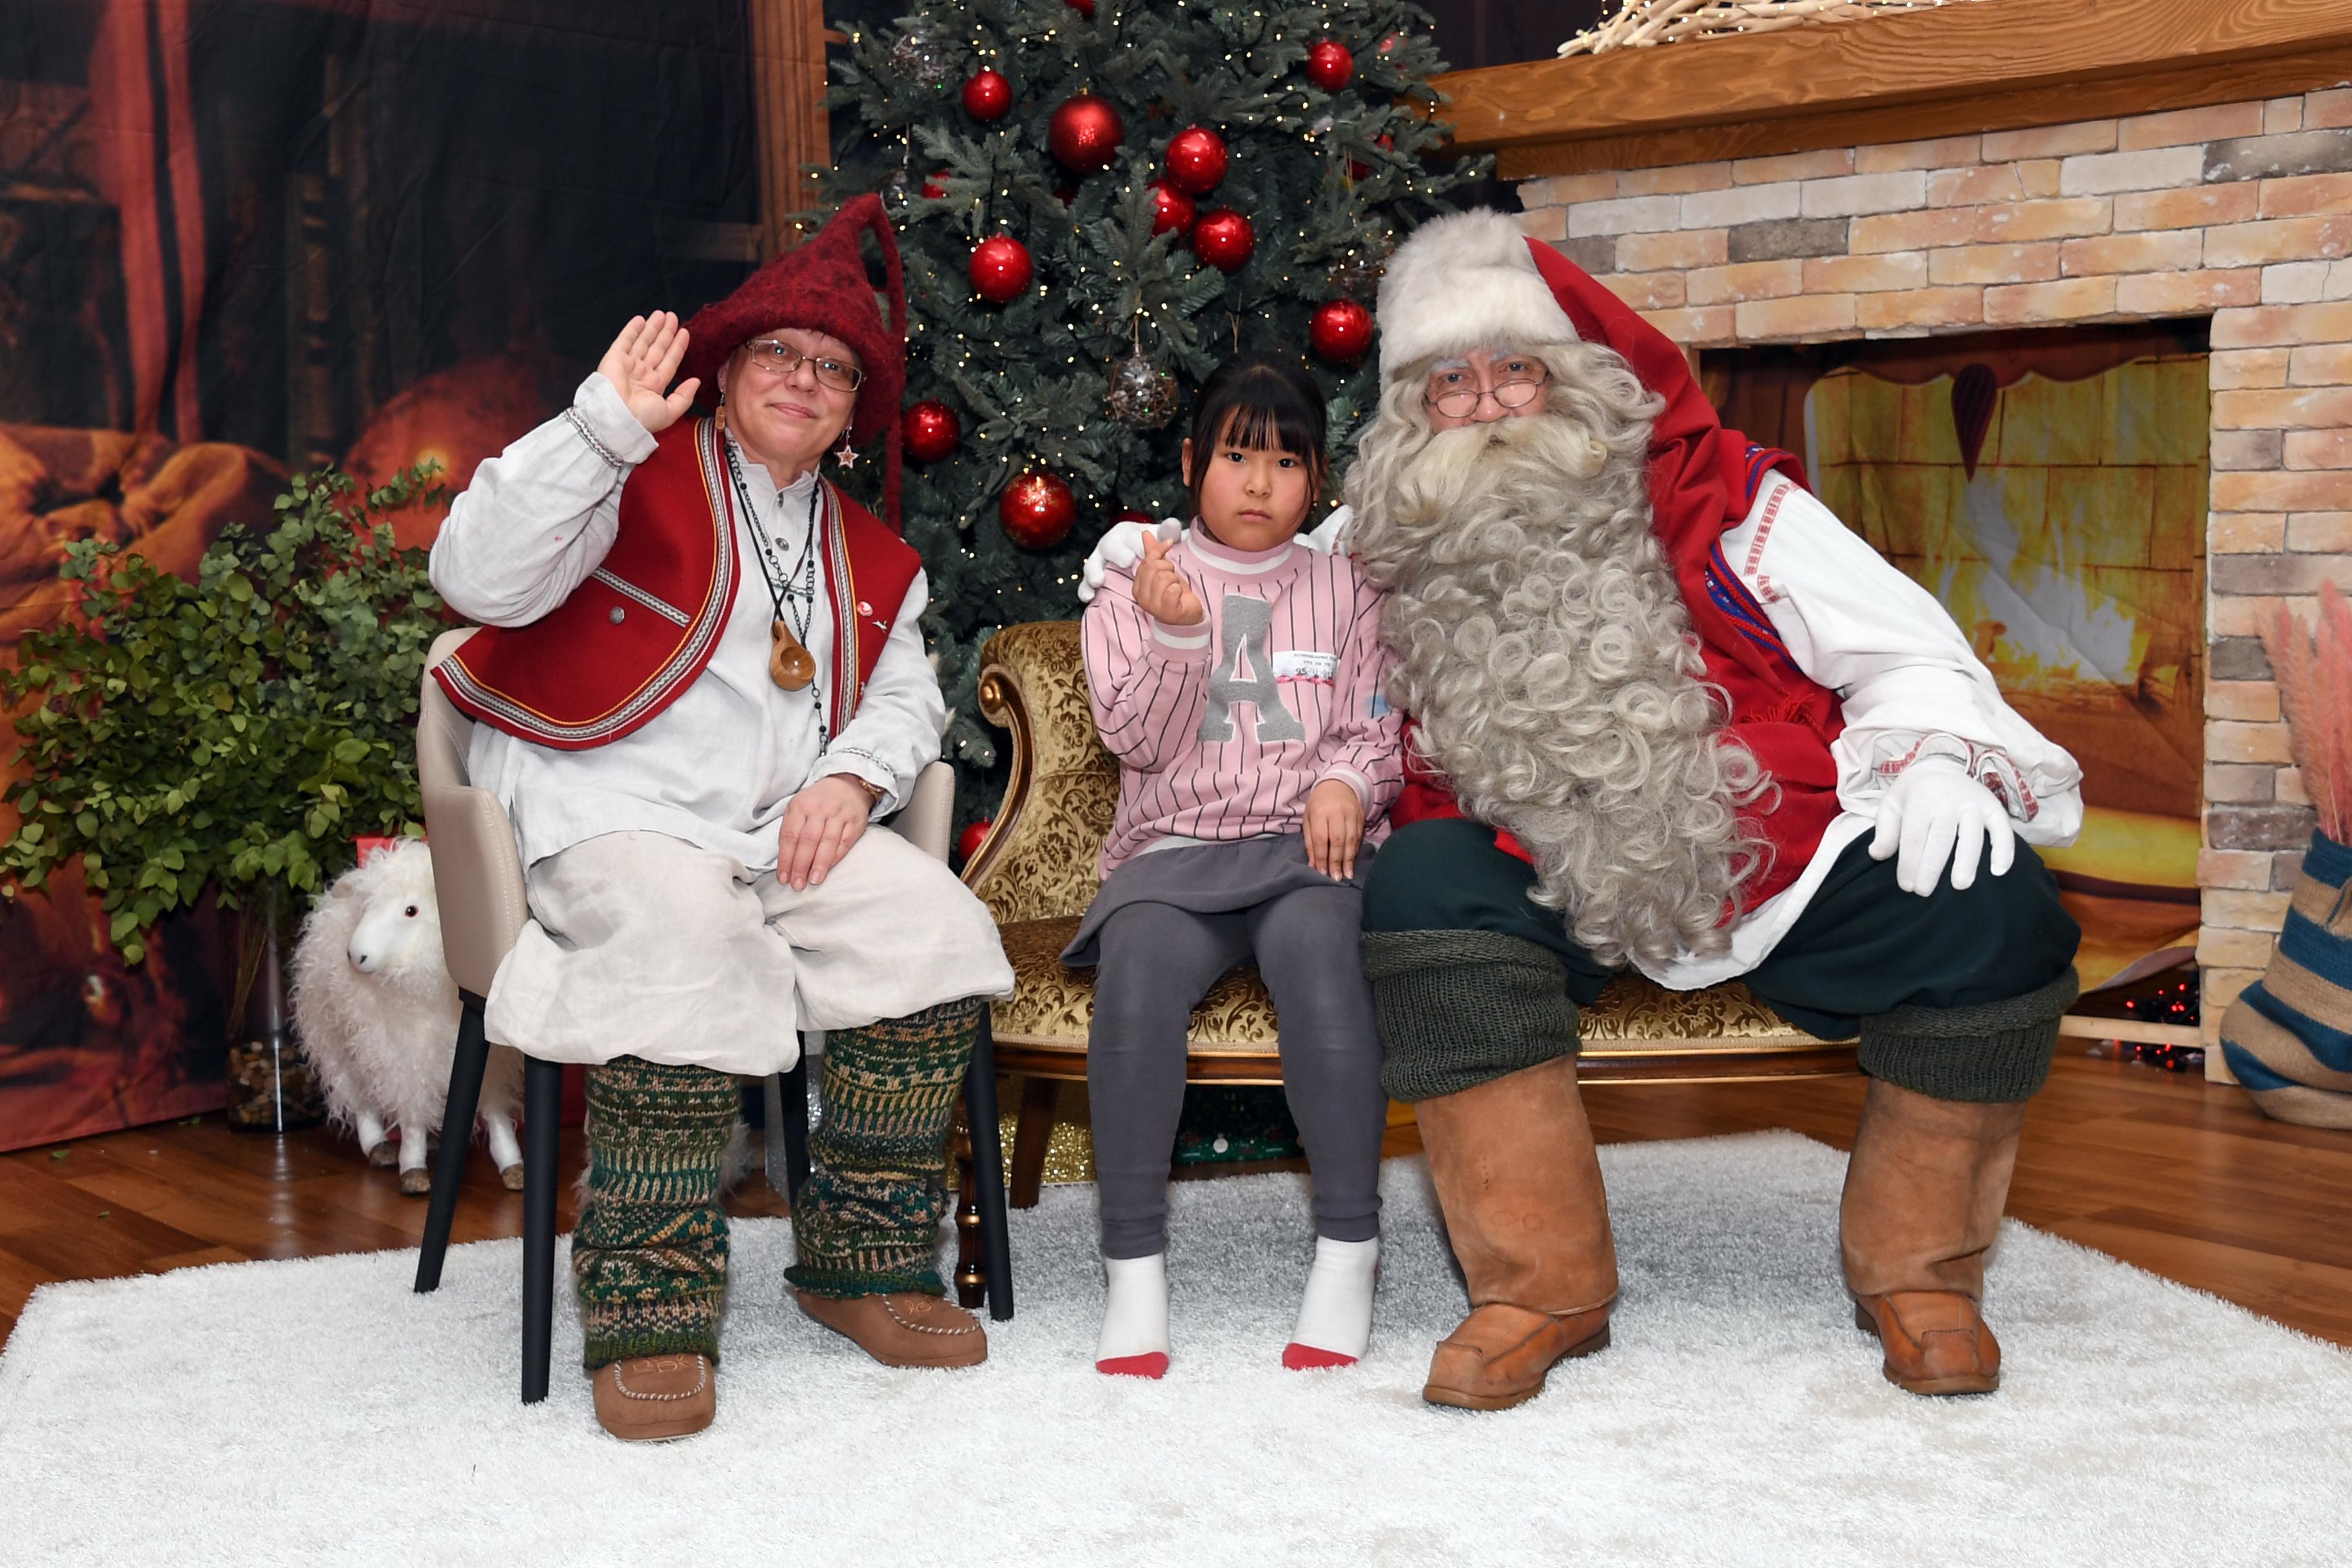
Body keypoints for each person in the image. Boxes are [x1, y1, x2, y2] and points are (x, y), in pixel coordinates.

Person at [1084, 210, 2084, 1411]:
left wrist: (1932, 760)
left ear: (1585, 383)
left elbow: (1905, 649)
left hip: (1759, 849)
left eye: (1520, 369)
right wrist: (1133, 556)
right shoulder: (1386, 534)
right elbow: (1241, 543)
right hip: (1533, 868)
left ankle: (1923, 1277)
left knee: (1999, 912)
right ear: (1412, 418)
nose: (1493, 403)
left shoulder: (1732, 505)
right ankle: (1535, 1284)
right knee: (1421, 890)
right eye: (1452, 383)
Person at [428, 195, 1013, 1442]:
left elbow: (907, 696)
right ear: (729, 366)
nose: (806, 381)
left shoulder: (869, 551)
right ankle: (649, 1306)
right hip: (607, 804)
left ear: (856, 408)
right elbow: (469, 577)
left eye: (836, 369)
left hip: (778, 831)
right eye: (781, 356)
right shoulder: (622, 468)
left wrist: (851, 779)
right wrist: (596, 430)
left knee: (933, 931)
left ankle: (859, 1261)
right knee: (684, 943)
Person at [1069, 352, 1403, 1379]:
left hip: (1306, 849)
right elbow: (1140, 745)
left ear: (1319, 482)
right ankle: (1133, 1271)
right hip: (1172, 853)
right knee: (1136, 982)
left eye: (1287, 462)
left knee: (1320, 959)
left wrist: (1347, 781)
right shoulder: (1134, 579)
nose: (1259, 484)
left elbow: (1376, 724)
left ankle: (1348, 1246)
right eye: (1236, 456)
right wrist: (1178, 635)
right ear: (1191, 462)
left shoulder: (1346, 583)